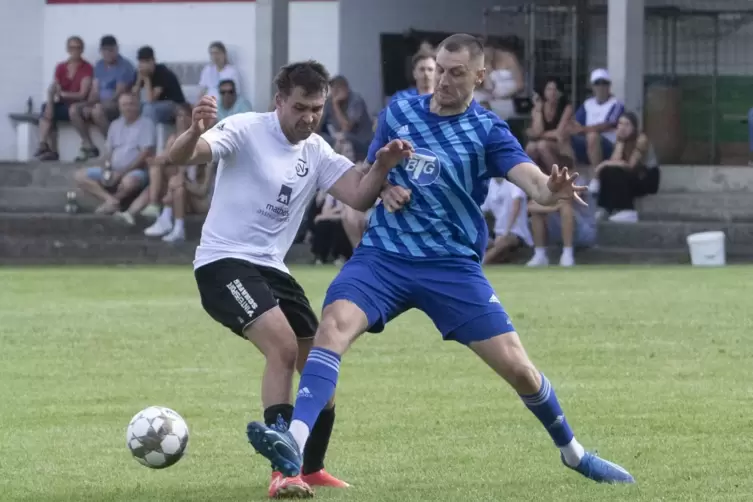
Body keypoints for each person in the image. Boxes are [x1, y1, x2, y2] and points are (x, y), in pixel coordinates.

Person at [246, 34, 635, 486]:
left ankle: (575, 453)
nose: (444, 81)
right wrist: (386, 185)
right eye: (441, 70)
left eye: (456, 73)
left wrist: (552, 190)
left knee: (521, 371)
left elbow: (534, 184)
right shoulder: (399, 112)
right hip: (384, 258)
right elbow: (371, 175)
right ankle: (293, 442)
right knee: (331, 327)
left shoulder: (488, 130)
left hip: (451, 267)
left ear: (480, 77)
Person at [167, 60, 413, 498]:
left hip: (272, 269)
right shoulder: (245, 129)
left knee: (320, 360)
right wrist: (193, 131)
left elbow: (357, 194)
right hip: (223, 263)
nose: (309, 117)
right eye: (300, 107)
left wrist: (382, 165)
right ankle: (283, 469)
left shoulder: (316, 150)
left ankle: (312, 467)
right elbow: (180, 156)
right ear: (279, 100)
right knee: (281, 347)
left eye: (316, 108)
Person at [591, 111, 660, 223]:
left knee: (615, 171)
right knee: (608, 172)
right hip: (631, 176)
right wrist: (620, 142)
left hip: (646, 177)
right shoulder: (620, 140)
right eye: (620, 124)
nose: (623, 127)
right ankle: (605, 208)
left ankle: (628, 210)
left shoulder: (641, 140)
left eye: (627, 124)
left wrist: (602, 165)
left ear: (634, 127)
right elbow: (615, 161)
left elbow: (630, 166)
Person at [35, 36, 94, 161]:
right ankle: (44, 145)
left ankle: (47, 147)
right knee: (46, 108)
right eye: (72, 47)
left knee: (58, 111)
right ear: (67, 49)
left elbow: (82, 94)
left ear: (82, 49)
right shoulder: (61, 67)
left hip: (78, 107)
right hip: (63, 104)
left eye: (78, 48)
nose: (75, 51)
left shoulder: (87, 67)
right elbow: (53, 88)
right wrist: (51, 104)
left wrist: (62, 94)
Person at [525, 78, 573, 174]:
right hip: (542, 144)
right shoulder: (538, 108)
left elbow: (559, 133)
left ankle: (558, 177)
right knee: (531, 147)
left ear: (561, 93)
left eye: (555, 89)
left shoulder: (566, 108)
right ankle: (534, 177)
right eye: (549, 89)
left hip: (561, 146)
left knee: (542, 145)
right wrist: (538, 110)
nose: (552, 92)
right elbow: (538, 130)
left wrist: (538, 134)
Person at [481, 177, 533, 264]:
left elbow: (516, 207)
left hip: (517, 233)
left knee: (503, 243)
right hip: (497, 232)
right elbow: (482, 211)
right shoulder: (489, 185)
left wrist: (505, 233)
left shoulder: (514, 183)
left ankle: (480, 263)